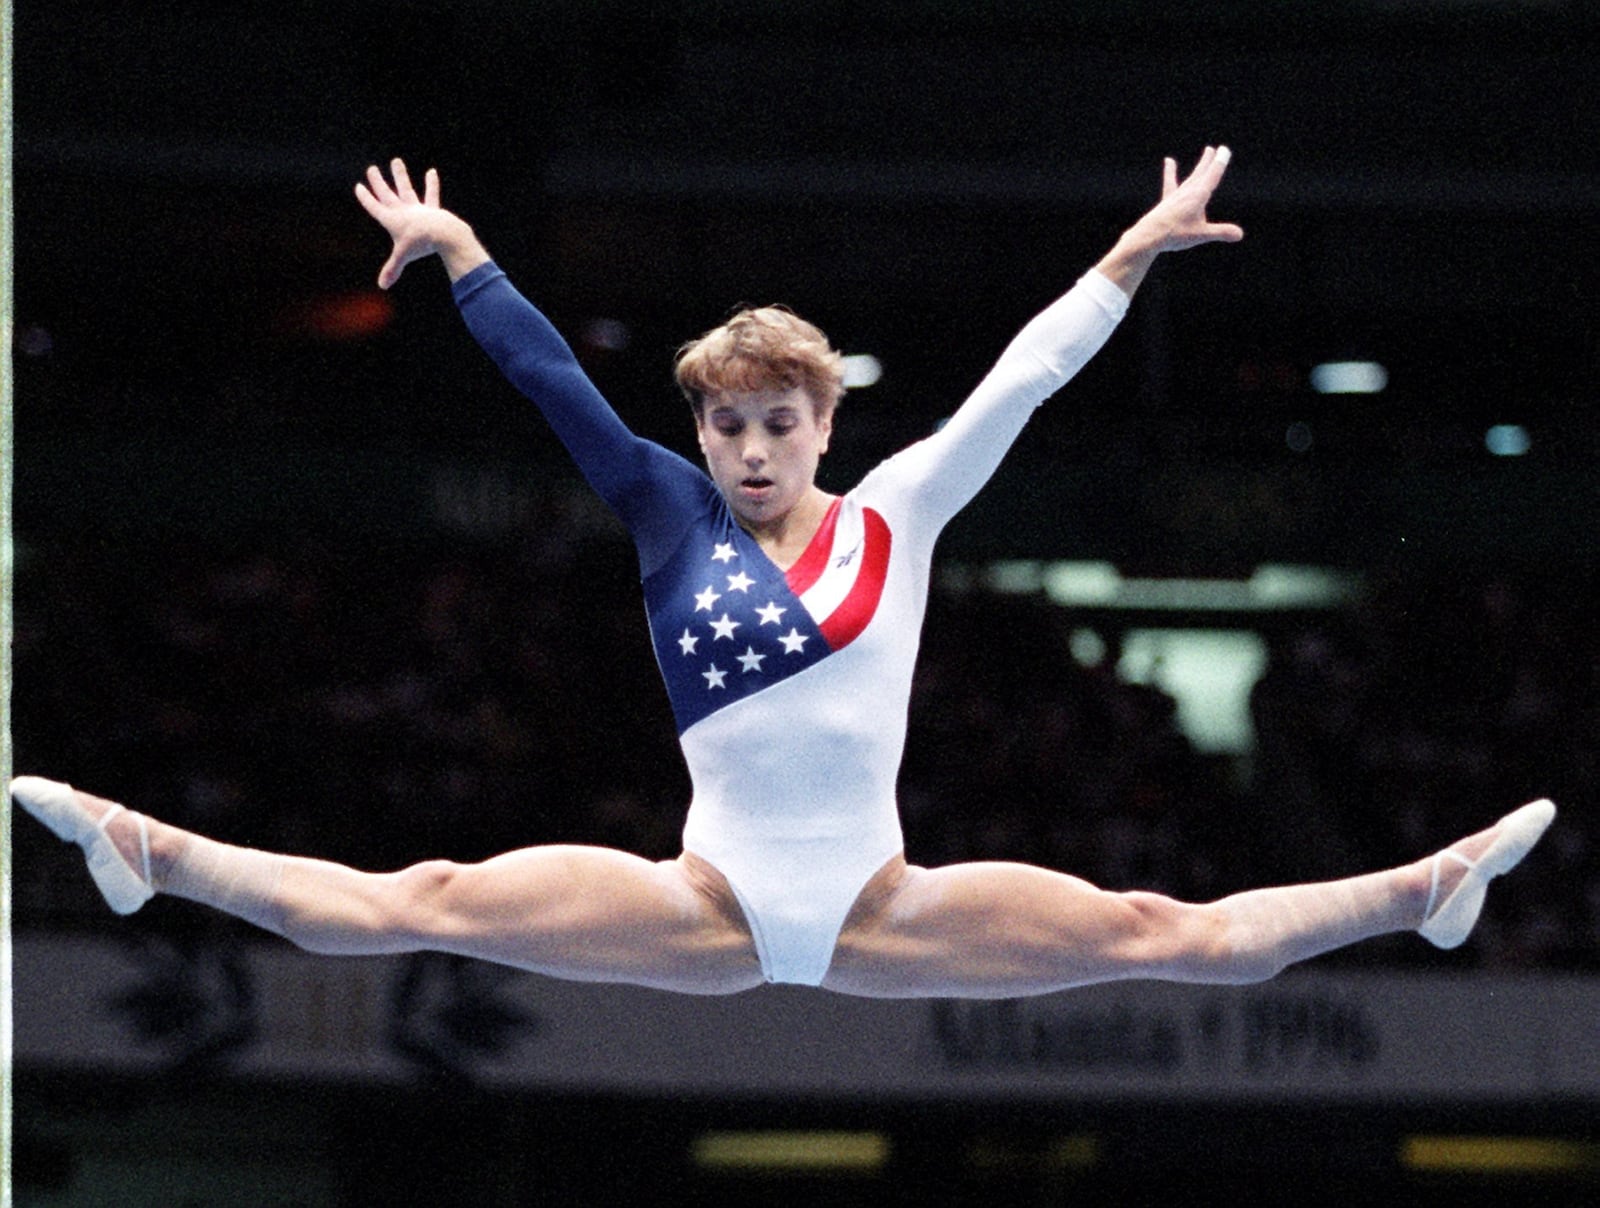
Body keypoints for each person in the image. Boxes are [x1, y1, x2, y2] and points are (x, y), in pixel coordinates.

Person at [11, 148, 1556, 1000]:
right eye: (725, 422)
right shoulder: (667, 512)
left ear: (825, 421)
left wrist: (1128, 259)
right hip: (702, 904)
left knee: (1171, 933)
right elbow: (555, 385)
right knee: (416, 900)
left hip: (886, 908)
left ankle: (1423, 894)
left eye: (776, 422)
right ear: (700, 425)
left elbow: (1018, 386)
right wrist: (467, 252)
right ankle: (152, 853)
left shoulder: (898, 510)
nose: (749, 449)